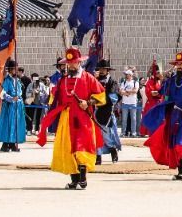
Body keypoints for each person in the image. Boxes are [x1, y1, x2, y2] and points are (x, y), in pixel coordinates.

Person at [36, 48, 106, 190]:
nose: (71, 65)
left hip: (82, 118)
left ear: (79, 62)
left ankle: (83, 177)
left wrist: (88, 102)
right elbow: (54, 98)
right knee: (68, 148)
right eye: (69, 63)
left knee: (82, 146)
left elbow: (101, 96)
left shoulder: (88, 78)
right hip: (66, 118)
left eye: (74, 63)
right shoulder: (63, 80)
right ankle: (74, 180)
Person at [142, 52, 182, 180]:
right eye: (177, 64)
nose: (178, 66)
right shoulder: (172, 80)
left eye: (181, 64)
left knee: (181, 142)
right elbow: (163, 93)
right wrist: (161, 86)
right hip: (173, 116)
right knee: (172, 143)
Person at [93, 60, 121, 165]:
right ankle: (98, 156)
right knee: (96, 135)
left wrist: (101, 100)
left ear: (108, 70)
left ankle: (113, 150)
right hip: (96, 110)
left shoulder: (112, 82)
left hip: (108, 111)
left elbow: (114, 97)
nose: (102, 71)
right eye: (100, 69)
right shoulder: (94, 80)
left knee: (106, 135)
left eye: (104, 69)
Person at [0, 60, 26, 152]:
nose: (16, 70)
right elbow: (2, 94)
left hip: (18, 105)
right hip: (9, 106)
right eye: (15, 69)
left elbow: (20, 92)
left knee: (16, 124)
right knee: (8, 124)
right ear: (10, 70)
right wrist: (12, 98)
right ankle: (5, 144)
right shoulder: (7, 80)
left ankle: (13, 144)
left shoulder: (17, 80)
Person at [140, 65, 163, 137]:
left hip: (159, 103)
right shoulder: (150, 82)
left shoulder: (160, 81)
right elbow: (150, 93)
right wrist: (159, 92)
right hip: (152, 104)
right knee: (151, 120)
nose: (159, 74)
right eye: (158, 73)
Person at [119, 69, 140, 138]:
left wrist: (126, 92)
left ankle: (133, 133)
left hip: (133, 103)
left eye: (127, 74)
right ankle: (123, 132)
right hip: (125, 103)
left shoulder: (135, 82)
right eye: (125, 74)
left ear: (130, 75)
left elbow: (135, 91)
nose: (126, 76)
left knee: (133, 118)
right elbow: (121, 91)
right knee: (124, 119)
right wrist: (129, 92)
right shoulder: (123, 82)